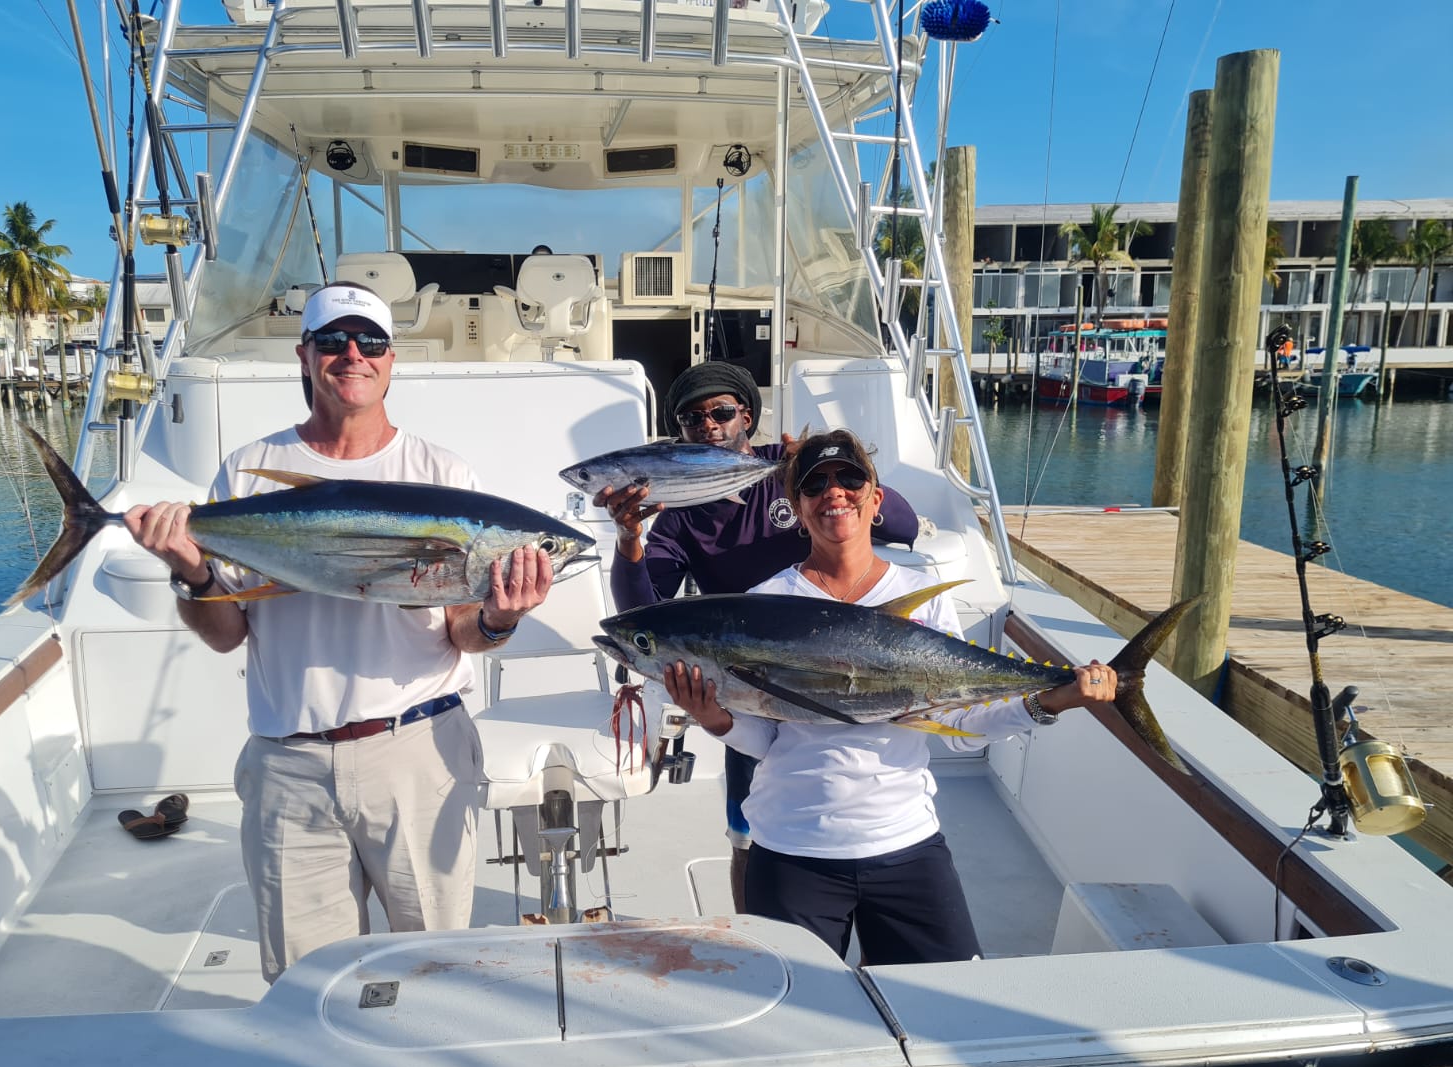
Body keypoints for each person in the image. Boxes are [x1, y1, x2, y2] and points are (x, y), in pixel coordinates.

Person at [124, 280, 555, 982]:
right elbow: (226, 634)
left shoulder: (442, 474)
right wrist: (192, 572)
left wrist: (501, 617)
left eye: (370, 342)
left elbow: (461, 634)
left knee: (437, 969)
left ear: (391, 361)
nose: (351, 354)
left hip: (418, 751)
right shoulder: (246, 472)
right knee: (306, 986)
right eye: (332, 341)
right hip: (290, 764)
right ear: (305, 355)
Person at [661, 429, 1118, 966]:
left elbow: (963, 729)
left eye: (850, 479)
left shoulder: (917, 601)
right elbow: (765, 739)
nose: (835, 493)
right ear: (796, 508)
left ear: (875, 499)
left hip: (905, 844)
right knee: (797, 1016)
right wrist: (714, 718)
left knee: (946, 1006)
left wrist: (1054, 700)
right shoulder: (766, 603)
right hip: (793, 848)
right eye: (814, 484)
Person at [595, 363, 921, 912]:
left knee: (877, 799)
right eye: (692, 418)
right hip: (750, 677)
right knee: (747, 828)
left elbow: (903, 528)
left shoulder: (791, 471)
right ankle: (763, 938)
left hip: (842, 663)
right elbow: (643, 611)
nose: (709, 425)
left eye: (721, 412)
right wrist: (630, 537)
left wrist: (826, 478)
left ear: (747, 415)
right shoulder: (678, 511)